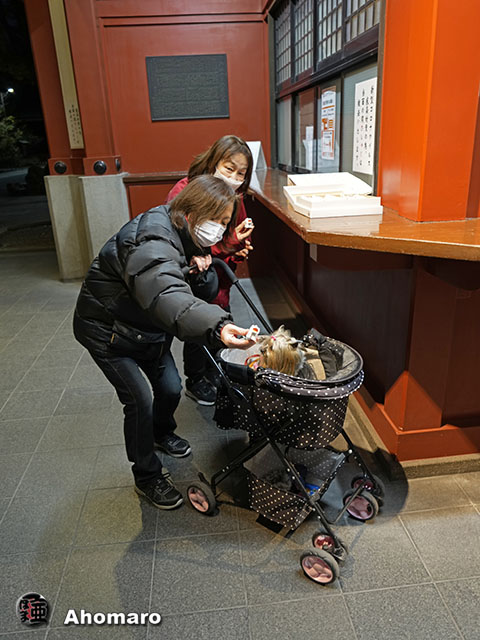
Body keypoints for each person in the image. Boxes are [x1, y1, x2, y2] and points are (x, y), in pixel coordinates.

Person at [73, 175, 256, 510]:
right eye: (216, 220)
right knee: (139, 400)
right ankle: (147, 476)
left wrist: (200, 269)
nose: (219, 229)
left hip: (147, 329)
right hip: (108, 331)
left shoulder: (187, 235)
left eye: (224, 222)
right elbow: (165, 292)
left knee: (171, 388)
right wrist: (218, 326)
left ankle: (160, 433)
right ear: (192, 212)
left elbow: (191, 290)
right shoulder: (152, 239)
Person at [166, 135, 255, 406]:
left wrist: (237, 248)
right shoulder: (187, 192)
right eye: (229, 168)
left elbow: (232, 235)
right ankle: (196, 381)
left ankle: (214, 372)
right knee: (199, 325)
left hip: (220, 276)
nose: (234, 177)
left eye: (241, 173)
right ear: (214, 162)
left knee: (219, 321)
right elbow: (187, 247)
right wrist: (229, 245)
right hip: (197, 278)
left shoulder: (235, 197)